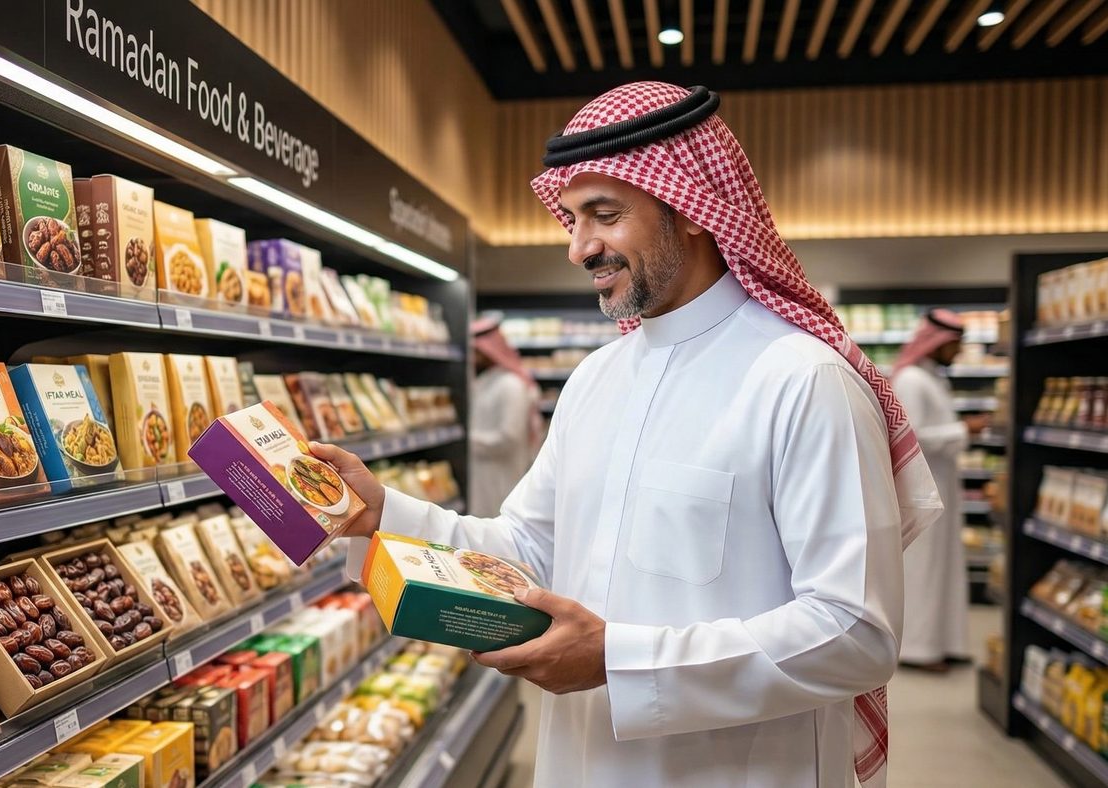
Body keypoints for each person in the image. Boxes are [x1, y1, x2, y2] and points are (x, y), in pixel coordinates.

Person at [311, 82, 942, 788]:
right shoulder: (595, 380)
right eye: (572, 220)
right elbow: (526, 549)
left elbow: (854, 633)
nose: (580, 248)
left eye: (605, 215)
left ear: (696, 210)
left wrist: (617, 659)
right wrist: (385, 514)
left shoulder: (802, 381)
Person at [892, 310, 988, 671]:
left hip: (942, 484)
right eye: (956, 344)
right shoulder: (913, 380)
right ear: (939, 342)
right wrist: (965, 429)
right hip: (922, 490)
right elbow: (912, 439)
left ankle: (946, 642)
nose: (959, 352)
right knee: (925, 568)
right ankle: (917, 649)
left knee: (944, 565)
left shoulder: (932, 379)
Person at [469, 312, 543, 516]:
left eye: (476, 351)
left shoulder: (511, 385)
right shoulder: (485, 381)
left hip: (502, 477)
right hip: (481, 476)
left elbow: (508, 438)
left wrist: (467, 441)